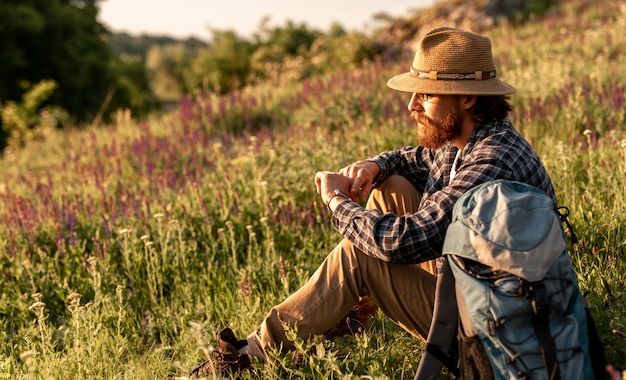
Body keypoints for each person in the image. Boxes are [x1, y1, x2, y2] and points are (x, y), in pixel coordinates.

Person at [189, 26, 558, 378]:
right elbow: (413, 159)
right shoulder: (466, 139)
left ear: (467, 98)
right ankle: (342, 315)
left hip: (500, 340)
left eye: (426, 95)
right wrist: (374, 166)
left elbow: (399, 241)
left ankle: (248, 355)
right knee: (392, 185)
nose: (412, 105)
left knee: (361, 255)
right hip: (479, 294)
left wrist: (336, 201)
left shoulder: (492, 161)